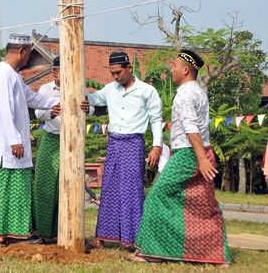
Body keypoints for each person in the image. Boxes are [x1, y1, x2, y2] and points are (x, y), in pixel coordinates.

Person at [131, 49, 230, 266]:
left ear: (185, 70)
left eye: (174, 65)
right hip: (199, 152)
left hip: (188, 154)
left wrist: (201, 159)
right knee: (204, 205)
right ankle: (217, 257)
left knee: (157, 196)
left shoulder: (185, 93)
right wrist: (203, 156)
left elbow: (190, 126)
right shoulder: (199, 91)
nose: (171, 69)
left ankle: (154, 252)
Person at [0, 33, 59, 244]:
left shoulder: (13, 75)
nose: (28, 61)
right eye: (28, 56)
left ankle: (20, 232)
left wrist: (55, 104)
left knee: (21, 191)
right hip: (6, 148)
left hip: (16, 147)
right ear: (22, 52)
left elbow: (32, 98)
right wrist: (14, 140)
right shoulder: (3, 73)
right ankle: (12, 235)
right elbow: (4, 108)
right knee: (10, 193)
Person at [84, 51, 163, 248]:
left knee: (132, 191)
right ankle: (102, 238)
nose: (115, 77)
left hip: (134, 144)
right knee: (109, 188)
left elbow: (156, 119)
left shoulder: (147, 91)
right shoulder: (110, 89)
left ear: (129, 68)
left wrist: (157, 146)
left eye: (118, 72)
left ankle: (134, 240)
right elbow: (92, 99)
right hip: (114, 143)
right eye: (112, 73)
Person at [33, 56, 89, 241]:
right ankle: (44, 232)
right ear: (54, 72)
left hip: (74, 141)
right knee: (44, 186)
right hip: (52, 139)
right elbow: (38, 113)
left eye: (61, 70)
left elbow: (92, 106)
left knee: (69, 186)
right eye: (55, 70)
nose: (57, 73)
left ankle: (66, 232)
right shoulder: (46, 89)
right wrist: (51, 112)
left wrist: (89, 108)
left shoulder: (79, 87)